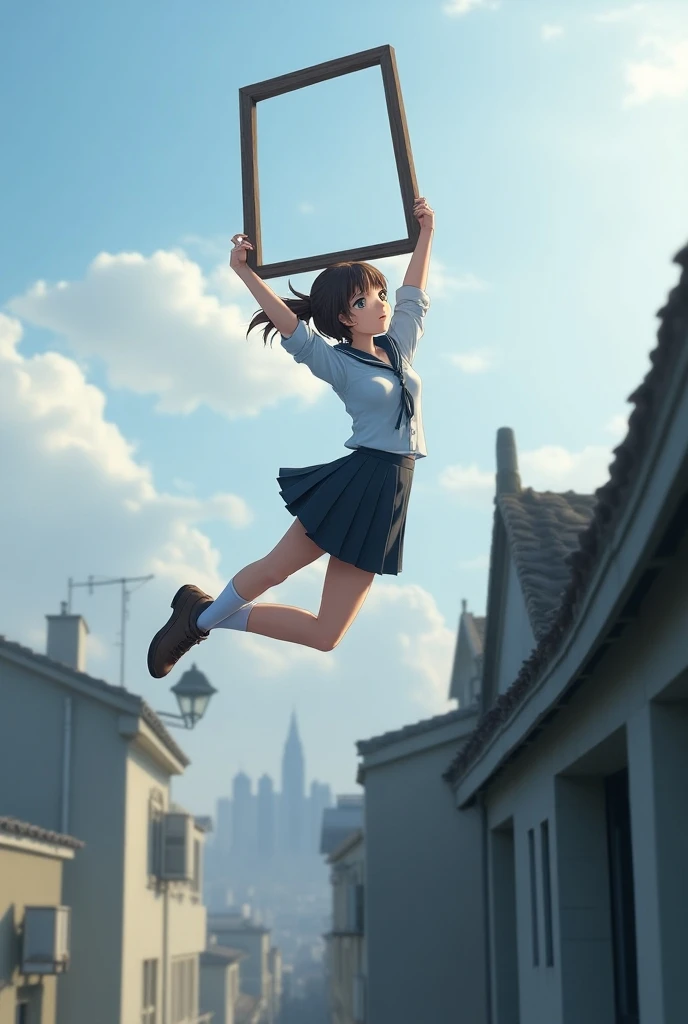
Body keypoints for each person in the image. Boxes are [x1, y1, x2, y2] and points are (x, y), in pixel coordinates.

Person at [147, 197, 435, 679]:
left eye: (379, 294)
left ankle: (201, 617)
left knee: (326, 635)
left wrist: (425, 234)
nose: (380, 305)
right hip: (359, 479)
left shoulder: (398, 346)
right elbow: (294, 330)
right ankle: (197, 623)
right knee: (275, 568)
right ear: (345, 317)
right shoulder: (340, 364)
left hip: (392, 492)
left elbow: (414, 294)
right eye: (363, 301)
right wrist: (244, 273)